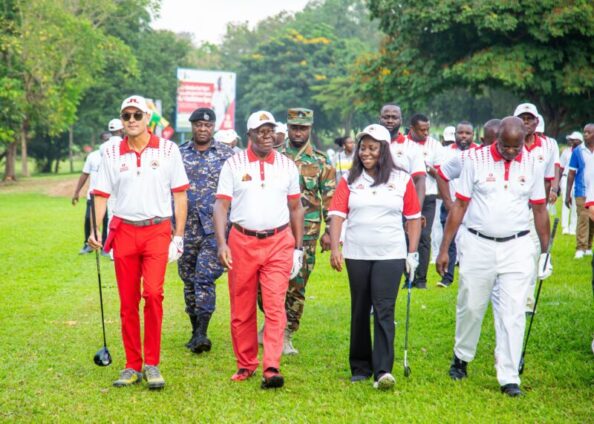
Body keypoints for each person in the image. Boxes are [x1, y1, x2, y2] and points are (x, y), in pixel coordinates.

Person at [437, 116, 552, 397]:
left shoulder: (533, 163)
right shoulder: (474, 160)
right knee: (471, 306)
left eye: (516, 147)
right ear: (496, 138)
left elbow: (539, 209)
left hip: (517, 245)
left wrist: (546, 252)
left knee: (513, 311)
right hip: (478, 243)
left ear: (524, 141)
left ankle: (509, 376)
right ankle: (462, 357)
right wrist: (444, 248)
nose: (511, 152)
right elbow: (460, 205)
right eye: (505, 146)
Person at [88, 95, 189, 390]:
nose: (131, 120)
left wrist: (179, 236)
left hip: (157, 230)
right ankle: (132, 364)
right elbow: (101, 195)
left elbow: (180, 195)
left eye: (137, 115)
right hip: (125, 232)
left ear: (147, 118)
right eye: (126, 116)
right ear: (122, 120)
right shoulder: (111, 152)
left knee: (154, 295)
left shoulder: (168, 149)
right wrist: (95, 230)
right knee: (128, 301)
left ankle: (152, 363)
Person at [213, 110, 304, 389]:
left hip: (278, 242)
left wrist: (298, 248)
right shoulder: (233, 163)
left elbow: (296, 207)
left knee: (275, 306)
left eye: (271, 131)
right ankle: (246, 363)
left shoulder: (287, 165)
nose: (267, 136)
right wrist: (222, 243)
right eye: (261, 132)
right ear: (249, 134)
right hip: (242, 241)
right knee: (242, 308)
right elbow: (221, 206)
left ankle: (271, 366)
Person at [328, 124, 421, 390]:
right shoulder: (350, 180)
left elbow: (414, 218)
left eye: (372, 148)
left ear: (384, 150)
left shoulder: (402, 179)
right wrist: (335, 248)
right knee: (360, 308)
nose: (365, 153)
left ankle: (382, 370)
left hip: (390, 253)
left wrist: (412, 253)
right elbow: (337, 215)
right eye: (363, 148)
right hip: (357, 253)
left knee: (384, 308)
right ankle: (360, 367)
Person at [276, 108, 336, 354]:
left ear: (310, 128)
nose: (298, 132)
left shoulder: (321, 161)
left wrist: (330, 231)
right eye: (294, 127)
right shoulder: (275, 156)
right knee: (266, 282)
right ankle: (273, 323)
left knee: (297, 283)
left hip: (308, 233)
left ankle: (286, 333)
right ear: (288, 127)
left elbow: (330, 197)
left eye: (303, 128)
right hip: (276, 228)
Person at [179, 108, 235, 354]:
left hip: (215, 229)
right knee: (188, 280)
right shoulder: (178, 154)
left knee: (204, 278)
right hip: (185, 228)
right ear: (192, 126)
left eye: (207, 125)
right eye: (198, 125)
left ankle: (202, 332)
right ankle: (194, 330)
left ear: (213, 127)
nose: (203, 129)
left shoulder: (227, 155)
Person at [514, 103, 560, 314]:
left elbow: (549, 178)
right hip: (512, 207)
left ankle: (527, 300)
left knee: (532, 252)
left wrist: (544, 199)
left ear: (536, 121)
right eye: (521, 118)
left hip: (535, 209)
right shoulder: (509, 142)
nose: (525, 122)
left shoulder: (548, 145)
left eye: (529, 118)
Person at [434, 121, 479, 288]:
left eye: (468, 133)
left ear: (473, 135)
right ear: (455, 135)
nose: (464, 136)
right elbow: (440, 174)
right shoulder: (445, 152)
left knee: (471, 241)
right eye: (461, 133)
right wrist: (447, 202)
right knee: (449, 240)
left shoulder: (479, 153)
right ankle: (447, 276)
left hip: (472, 206)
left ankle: (471, 275)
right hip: (450, 204)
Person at [408, 113, 445, 289]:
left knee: (424, 236)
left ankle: (421, 279)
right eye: (421, 130)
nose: (426, 133)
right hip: (406, 197)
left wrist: (425, 167)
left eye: (427, 129)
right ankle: (408, 277)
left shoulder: (434, 145)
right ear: (412, 129)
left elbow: (440, 174)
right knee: (405, 235)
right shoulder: (404, 145)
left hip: (428, 196)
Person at [379, 103, 427, 201]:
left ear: (401, 120)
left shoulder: (412, 147)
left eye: (394, 117)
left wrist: (417, 208)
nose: (390, 121)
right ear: (379, 119)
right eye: (386, 117)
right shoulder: (369, 145)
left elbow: (419, 180)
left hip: (403, 204)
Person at [72, 135, 109, 255]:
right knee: (89, 219)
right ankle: (88, 245)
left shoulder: (115, 156)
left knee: (107, 220)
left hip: (110, 196)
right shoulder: (93, 156)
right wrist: (76, 192)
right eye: (105, 140)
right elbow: (85, 174)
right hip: (93, 194)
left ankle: (105, 247)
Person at [566, 123, 594, 259]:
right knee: (583, 219)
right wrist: (567, 194)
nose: (585, 135)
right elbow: (571, 173)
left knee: (592, 220)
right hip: (581, 191)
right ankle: (580, 248)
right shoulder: (578, 151)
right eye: (584, 132)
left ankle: (588, 247)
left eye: (588, 132)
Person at [560, 131, 583, 235]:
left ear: (580, 141)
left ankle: (573, 227)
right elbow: (561, 167)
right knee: (565, 201)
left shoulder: (583, 152)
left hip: (577, 179)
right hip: (566, 178)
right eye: (571, 139)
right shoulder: (566, 152)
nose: (572, 141)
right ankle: (565, 227)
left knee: (575, 204)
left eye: (574, 140)